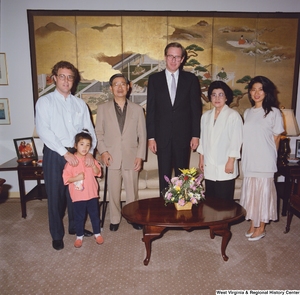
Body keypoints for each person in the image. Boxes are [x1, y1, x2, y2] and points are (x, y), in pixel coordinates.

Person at [35, 61, 97, 250]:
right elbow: (44, 131)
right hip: (55, 153)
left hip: (78, 152)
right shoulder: (44, 102)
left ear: (74, 80)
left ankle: (74, 228)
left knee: (77, 194)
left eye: (70, 77)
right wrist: (64, 153)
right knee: (56, 196)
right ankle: (57, 235)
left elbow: (89, 130)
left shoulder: (80, 104)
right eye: (62, 76)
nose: (66, 80)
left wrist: (90, 154)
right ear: (54, 78)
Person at [146, 42, 202, 194]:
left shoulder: (190, 80)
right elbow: (151, 110)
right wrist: (151, 137)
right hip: (161, 137)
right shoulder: (154, 80)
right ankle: (164, 210)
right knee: (164, 177)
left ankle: (181, 210)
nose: (173, 60)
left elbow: (195, 110)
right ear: (165, 57)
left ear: (182, 59)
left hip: (183, 137)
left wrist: (195, 135)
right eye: (170, 56)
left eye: (177, 57)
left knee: (182, 177)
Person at [95, 73, 147, 232]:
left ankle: (133, 218)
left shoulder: (138, 110)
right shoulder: (102, 109)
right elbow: (98, 134)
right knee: (114, 191)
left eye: (123, 84)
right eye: (116, 84)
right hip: (111, 158)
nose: (119, 87)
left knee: (132, 192)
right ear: (111, 88)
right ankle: (115, 219)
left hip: (131, 157)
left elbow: (142, 135)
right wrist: (103, 152)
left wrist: (140, 155)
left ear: (128, 87)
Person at [240, 76, 284, 241]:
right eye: (253, 89)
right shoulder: (248, 112)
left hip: (265, 160)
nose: (256, 93)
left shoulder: (274, 112)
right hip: (249, 159)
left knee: (263, 194)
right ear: (250, 92)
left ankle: (262, 227)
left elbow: (277, 137)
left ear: (266, 91)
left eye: (260, 89)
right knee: (251, 193)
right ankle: (253, 224)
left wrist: (271, 156)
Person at [197, 81, 243, 200]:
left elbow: (236, 140)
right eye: (214, 94)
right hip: (209, 165)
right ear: (210, 97)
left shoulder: (233, 115)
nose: (217, 98)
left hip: (225, 164)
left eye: (221, 94)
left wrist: (230, 161)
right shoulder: (205, 116)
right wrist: (201, 158)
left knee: (224, 203)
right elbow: (203, 139)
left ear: (226, 97)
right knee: (210, 201)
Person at [63, 130, 103, 248]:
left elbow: (98, 173)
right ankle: (79, 236)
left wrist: (94, 167)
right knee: (79, 217)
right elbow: (66, 179)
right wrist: (77, 177)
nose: (85, 148)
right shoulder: (71, 162)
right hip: (78, 196)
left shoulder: (91, 159)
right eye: (82, 144)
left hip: (92, 194)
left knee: (95, 215)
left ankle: (97, 233)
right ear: (75, 146)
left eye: (88, 145)